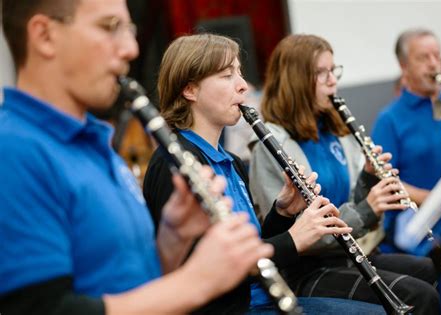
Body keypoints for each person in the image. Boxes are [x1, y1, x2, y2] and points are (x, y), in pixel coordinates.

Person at [0, 1, 275, 314]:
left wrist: (172, 241)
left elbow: (125, 282)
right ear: (44, 36)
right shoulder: (13, 149)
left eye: (128, 30)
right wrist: (196, 282)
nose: (131, 49)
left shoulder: (96, 145)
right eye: (109, 27)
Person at [143, 33, 385, 314]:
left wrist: (281, 214)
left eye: (240, 73)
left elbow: (256, 246)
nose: (243, 86)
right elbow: (205, 271)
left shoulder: (231, 161)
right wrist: (293, 240)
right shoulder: (174, 164)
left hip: (264, 300)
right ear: (190, 90)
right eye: (226, 75)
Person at [248, 33, 441, 314]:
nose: (333, 80)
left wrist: (369, 177)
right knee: (421, 296)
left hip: (357, 254)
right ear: (295, 79)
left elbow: (356, 203)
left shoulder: (336, 132)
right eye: (322, 73)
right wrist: (368, 209)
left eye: (334, 71)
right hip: (309, 270)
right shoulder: (273, 147)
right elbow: (302, 237)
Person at [371, 28, 441, 253]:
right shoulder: (389, 119)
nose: (434, 64)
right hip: (417, 235)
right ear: (404, 66)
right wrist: (437, 201)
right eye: (424, 57)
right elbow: (385, 181)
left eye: (437, 55)